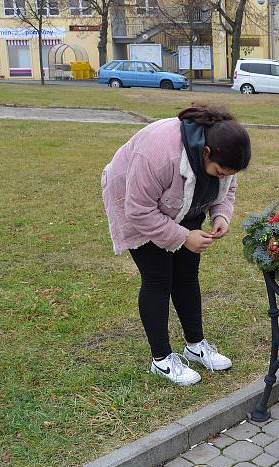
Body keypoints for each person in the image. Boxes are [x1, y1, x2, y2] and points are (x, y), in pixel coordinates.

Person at [101, 103, 251, 385]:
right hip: (135, 200)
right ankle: (161, 360)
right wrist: (183, 237)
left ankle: (195, 346)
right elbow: (138, 210)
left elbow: (228, 186)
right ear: (206, 152)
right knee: (158, 278)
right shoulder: (159, 154)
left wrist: (220, 214)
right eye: (219, 171)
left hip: (183, 200)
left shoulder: (221, 155)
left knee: (186, 273)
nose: (223, 177)